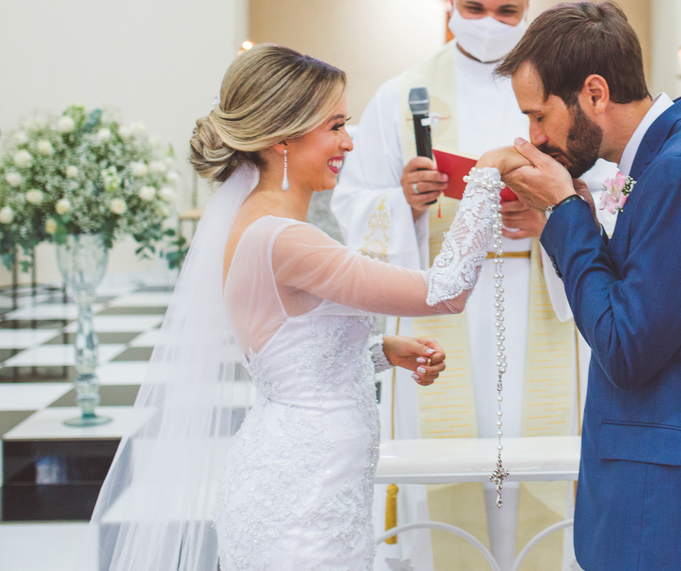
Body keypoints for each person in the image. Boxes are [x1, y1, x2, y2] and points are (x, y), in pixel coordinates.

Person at [80, 44, 525, 571]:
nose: (347, 143)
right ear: (283, 137)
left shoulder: (257, 223)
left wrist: (379, 351)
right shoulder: (286, 240)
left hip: (301, 480)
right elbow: (445, 291)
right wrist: (484, 177)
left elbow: (290, 354)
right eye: (335, 126)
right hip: (303, 499)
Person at [332, 0, 606, 570]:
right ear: (450, 6)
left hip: (537, 291)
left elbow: (607, 186)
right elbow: (352, 200)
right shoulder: (403, 94)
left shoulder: (558, 92)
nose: (490, 21)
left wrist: (552, 214)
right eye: (474, 7)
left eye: (508, 10)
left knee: (535, 455)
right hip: (441, 301)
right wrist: (407, 201)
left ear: (528, 9)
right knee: (449, 455)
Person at [497, 1, 681, 571]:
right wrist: (581, 218)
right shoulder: (656, 162)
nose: (535, 139)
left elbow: (626, 348)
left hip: (664, 504)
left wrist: (565, 213)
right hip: (652, 483)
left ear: (594, 93)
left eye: (539, 116)